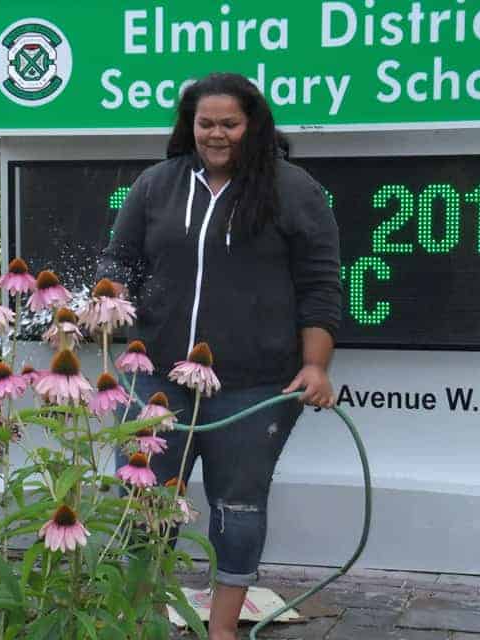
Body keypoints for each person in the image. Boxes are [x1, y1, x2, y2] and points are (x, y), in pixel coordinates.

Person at [97, 72, 341, 640]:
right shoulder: (157, 185)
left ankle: (224, 631)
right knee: (144, 505)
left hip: (256, 386)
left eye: (229, 123)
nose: (216, 134)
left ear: (253, 125)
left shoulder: (295, 190)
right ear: (190, 126)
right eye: (205, 123)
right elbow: (120, 260)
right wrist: (106, 298)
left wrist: (316, 365)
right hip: (155, 377)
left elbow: (322, 285)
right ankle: (145, 625)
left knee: (239, 506)